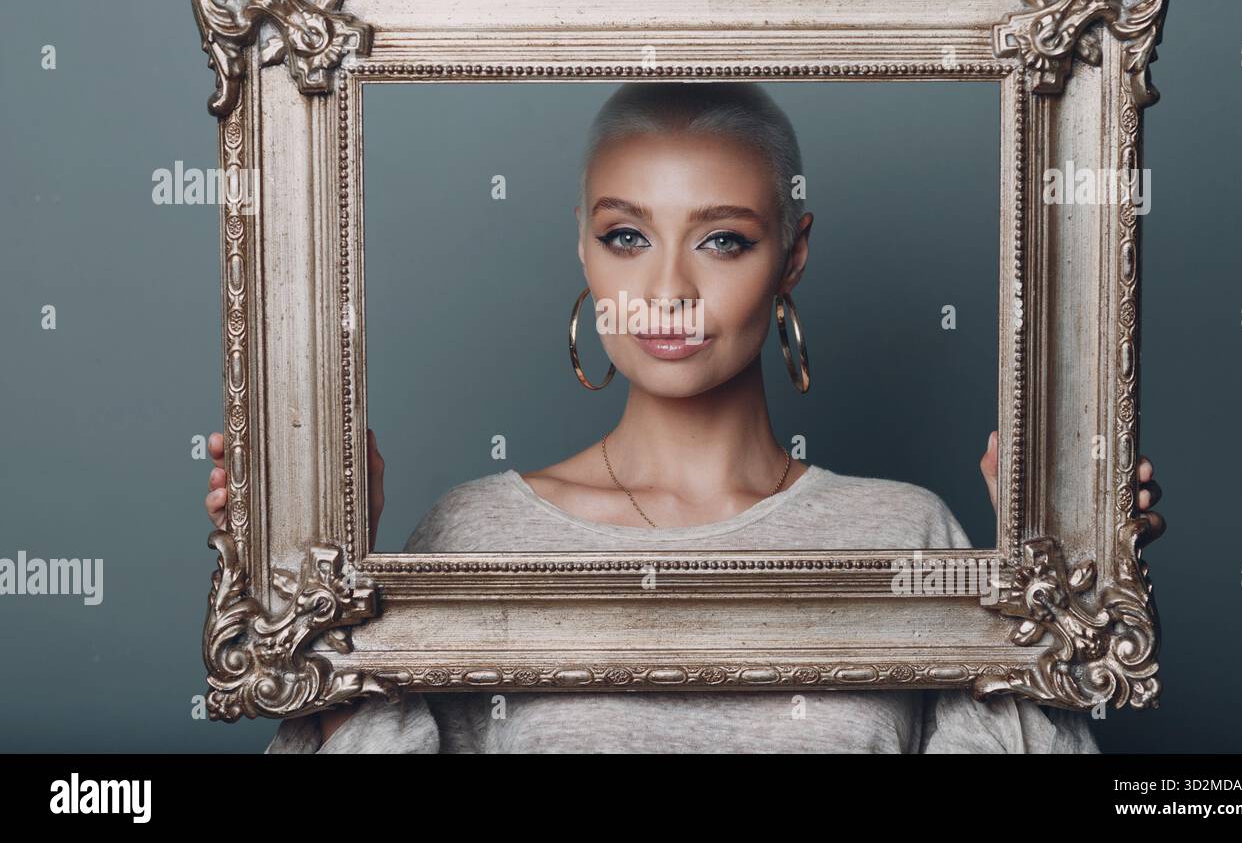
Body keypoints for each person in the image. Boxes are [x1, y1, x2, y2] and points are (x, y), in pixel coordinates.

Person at [203, 83, 1165, 752]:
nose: (666, 288)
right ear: (584, 249)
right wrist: (321, 589)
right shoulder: (473, 532)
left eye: (723, 239)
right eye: (627, 236)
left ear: (791, 255)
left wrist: (1051, 574)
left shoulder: (905, 531)